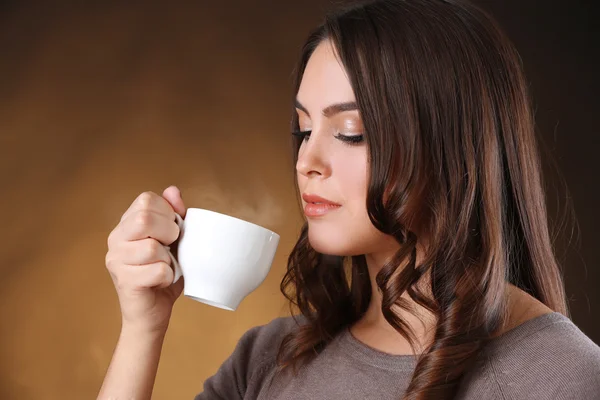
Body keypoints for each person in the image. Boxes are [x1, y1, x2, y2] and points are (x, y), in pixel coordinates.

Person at [98, 0, 600, 399]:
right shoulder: (270, 358)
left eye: (351, 131)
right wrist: (143, 327)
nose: (306, 160)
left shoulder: (559, 377)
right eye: (304, 128)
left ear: (449, 144)